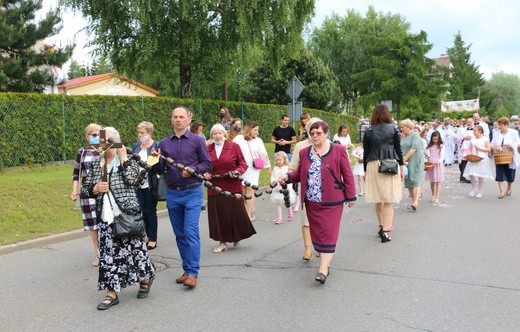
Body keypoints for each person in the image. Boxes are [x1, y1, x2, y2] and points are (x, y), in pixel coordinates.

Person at [81, 126, 155, 311]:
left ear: (116, 142)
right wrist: (96, 188)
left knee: (136, 253)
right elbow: (85, 188)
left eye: (107, 142)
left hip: (127, 215)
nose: (103, 145)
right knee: (108, 256)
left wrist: (123, 159)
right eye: (102, 142)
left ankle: (145, 278)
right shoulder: (97, 163)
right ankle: (111, 293)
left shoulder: (128, 159)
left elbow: (135, 181)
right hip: (106, 217)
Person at [278, 121, 357, 285]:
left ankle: (322, 270)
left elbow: (347, 174)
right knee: (318, 235)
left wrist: (350, 196)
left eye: (318, 133)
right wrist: (288, 177)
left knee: (329, 233)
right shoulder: (304, 152)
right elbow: (300, 174)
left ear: (326, 133)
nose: (314, 136)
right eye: (311, 133)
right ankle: (326, 263)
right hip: (312, 201)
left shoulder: (338, 150)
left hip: (333, 200)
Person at [152, 106, 213, 288]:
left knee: (190, 231)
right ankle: (186, 270)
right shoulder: (163, 143)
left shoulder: (197, 141)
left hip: (193, 191)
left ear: (188, 120)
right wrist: (154, 159)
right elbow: (158, 169)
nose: (178, 120)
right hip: (172, 193)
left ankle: (193, 273)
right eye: (175, 117)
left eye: (181, 117)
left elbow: (207, 164)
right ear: (171, 120)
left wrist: (193, 170)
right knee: (180, 235)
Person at [203, 124, 256, 253]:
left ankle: (236, 235)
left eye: (220, 133)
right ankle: (222, 242)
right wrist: (205, 174)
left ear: (224, 134)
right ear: (212, 136)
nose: (217, 136)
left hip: (232, 185)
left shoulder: (233, 146)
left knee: (235, 213)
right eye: (214, 133)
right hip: (215, 186)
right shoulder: (207, 149)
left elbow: (243, 164)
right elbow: (203, 164)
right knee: (219, 214)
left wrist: (237, 171)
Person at [363, 105, 404, 243]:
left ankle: (381, 225)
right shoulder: (393, 129)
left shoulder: (368, 131)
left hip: (373, 164)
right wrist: (402, 166)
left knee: (378, 198)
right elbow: (398, 149)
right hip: (389, 164)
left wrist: (365, 171)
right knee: (388, 199)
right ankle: (386, 231)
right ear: (387, 114)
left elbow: (366, 153)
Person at [288, 117, 322, 261]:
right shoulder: (301, 146)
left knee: (322, 221)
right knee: (306, 220)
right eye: (311, 129)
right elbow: (293, 167)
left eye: (318, 130)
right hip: (306, 189)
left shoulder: (328, 145)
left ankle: (321, 247)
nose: (314, 134)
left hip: (324, 190)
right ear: (307, 130)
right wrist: (286, 177)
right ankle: (308, 249)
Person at [70, 123, 101, 267]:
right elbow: (76, 173)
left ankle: (109, 252)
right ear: (87, 136)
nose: (96, 137)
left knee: (105, 223)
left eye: (98, 134)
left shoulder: (105, 150)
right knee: (92, 226)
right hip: (87, 192)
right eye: (93, 135)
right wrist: (74, 190)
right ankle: (98, 254)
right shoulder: (82, 152)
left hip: (103, 190)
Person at [233, 121, 271, 220]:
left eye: (257, 130)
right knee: (242, 191)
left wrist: (268, 167)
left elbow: (264, 154)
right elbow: (231, 149)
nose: (257, 132)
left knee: (249, 190)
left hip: (253, 168)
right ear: (249, 129)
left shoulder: (258, 141)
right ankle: (251, 209)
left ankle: (248, 215)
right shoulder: (239, 138)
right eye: (255, 130)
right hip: (241, 167)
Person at [132, 121, 159, 250]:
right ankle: (144, 236)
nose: (139, 135)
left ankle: (153, 238)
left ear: (149, 133)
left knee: (150, 212)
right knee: (140, 211)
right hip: (138, 185)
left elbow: (158, 166)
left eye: (142, 132)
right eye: (138, 132)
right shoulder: (136, 146)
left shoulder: (156, 145)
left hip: (151, 185)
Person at [490, 117, 520, 198]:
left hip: (510, 156)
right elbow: (491, 144)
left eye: (501, 125)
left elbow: (518, 143)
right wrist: (496, 147)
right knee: (499, 173)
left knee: (509, 174)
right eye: (499, 125)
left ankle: (509, 187)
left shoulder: (513, 132)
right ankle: (502, 192)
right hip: (499, 157)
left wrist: (511, 145)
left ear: (506, 125)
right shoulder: (496, 133)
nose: (499, 126)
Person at [400, 119, 425, 211]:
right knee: (409, 182)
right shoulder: (403, 137)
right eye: (400, 127)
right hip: (406, 162)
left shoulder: (415, 135)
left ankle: (416, 202)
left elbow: (414, 148)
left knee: (416, 181)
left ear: (408, 127)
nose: (401, 129)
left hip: (415, 161)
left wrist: (405, 157)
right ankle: (414, 201)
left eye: (402, 127)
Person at [463, 125, 494, 198]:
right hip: (473, 158)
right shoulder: (472, 140)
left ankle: (480, 191)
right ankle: (473, 189)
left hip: (482, 158)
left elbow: (488, 149)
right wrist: (469, 153)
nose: (473, 132)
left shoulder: (485, 139)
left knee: (480, 174)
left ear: (480, 131)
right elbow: (469, 149)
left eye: (475, 130)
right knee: (472, 173)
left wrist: (479, 148)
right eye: (473, 130)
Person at [270, 151, 297, 224]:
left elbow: (289, 178)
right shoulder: (275, 168)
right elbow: (273, 176)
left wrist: (288, 187)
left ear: (284, 160)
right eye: (277, 160)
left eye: (280, 160)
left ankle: (290, 211)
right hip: (277, 188)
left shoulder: (286, 168)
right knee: (278, 203)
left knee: (286, 201)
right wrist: (274, 182)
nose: (278, 161)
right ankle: (280, 218)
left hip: (285, 188)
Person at [424, 130, 445, 205]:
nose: (435, 141)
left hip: (437, 164)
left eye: (436, 139)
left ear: (439, 139)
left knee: (438, 181)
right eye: (433, 139)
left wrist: (439, 161)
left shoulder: (441, 146)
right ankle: (433, 195)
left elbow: (442, 156)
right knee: (432, 181)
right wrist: (426, 156)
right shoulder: (429, 146)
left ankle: (437, 197)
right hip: (431, 163)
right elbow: (428, 154)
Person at [457, 118, 475, 183]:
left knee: (472, 162)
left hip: (473, 147)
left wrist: (472, 138)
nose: (469, 123)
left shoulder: (476, 129)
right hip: (464, 147)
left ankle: (472, 177)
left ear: (473, 122)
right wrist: (464, 138)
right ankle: (462, 176)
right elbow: (458, 137)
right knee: (464, 162)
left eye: (470, 122)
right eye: (468, 122)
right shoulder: (462, 129)